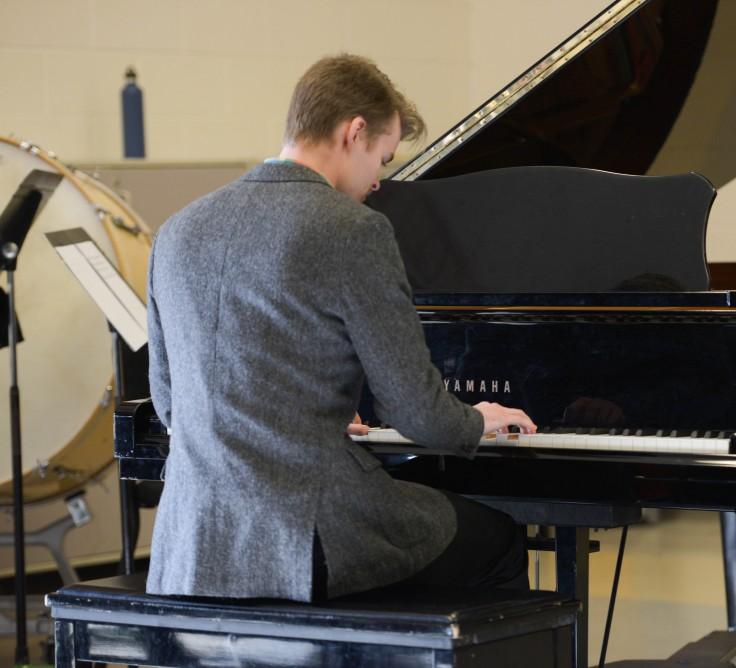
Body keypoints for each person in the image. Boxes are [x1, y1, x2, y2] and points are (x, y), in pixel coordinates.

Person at [145, 54, 536, 602]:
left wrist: (301, 413)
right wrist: (476, 420)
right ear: (354, 132)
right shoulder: (352, 230)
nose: (379, 181)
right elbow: (416, 413)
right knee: (498, 541)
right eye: (383, 157)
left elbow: (171, 404)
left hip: (191, 545)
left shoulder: (176, 230)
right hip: (307, 536)